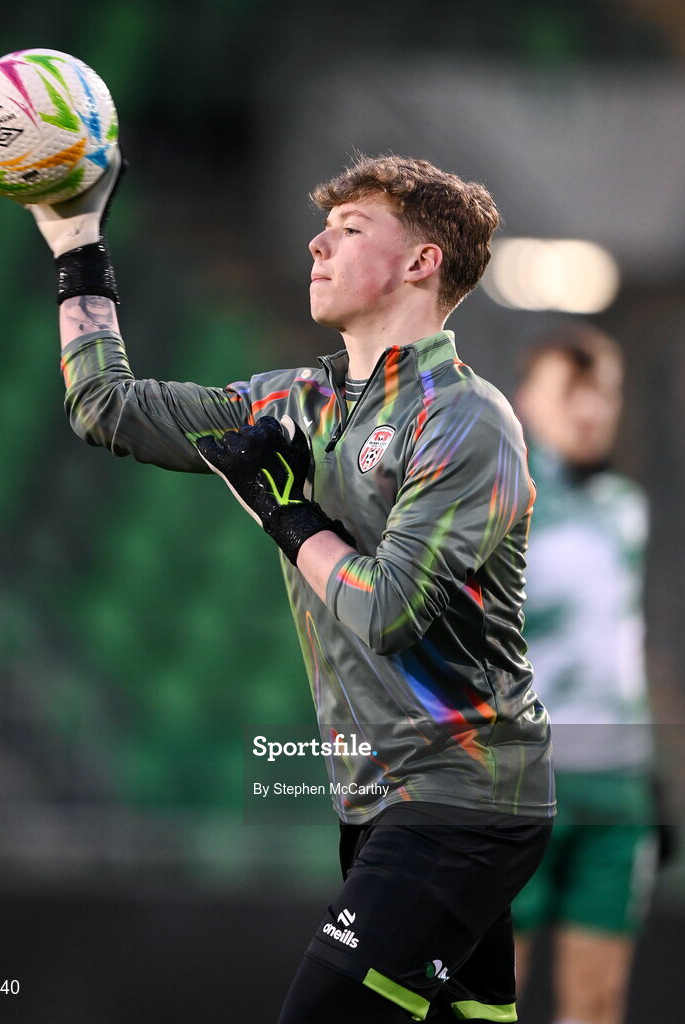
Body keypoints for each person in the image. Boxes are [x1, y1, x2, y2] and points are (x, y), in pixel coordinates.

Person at [29, 152, 555, 1022]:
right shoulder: (294, 402)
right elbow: (105, 407)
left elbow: (389, 611)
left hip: (462, 796)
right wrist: (78, 245)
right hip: (381, 799)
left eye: (350, 230)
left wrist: (287, 515)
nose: (316, 242)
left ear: (422, 262)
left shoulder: (465, 420)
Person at [512, 327, 659, 1024]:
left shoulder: (625, 510)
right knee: (488, 995)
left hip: (616, 786)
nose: (593, 409)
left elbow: (618, 645)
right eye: (572, 390)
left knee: (597, 1004)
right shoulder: (493, 506)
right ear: (526, 401)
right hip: (520, 780)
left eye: (605, 391)